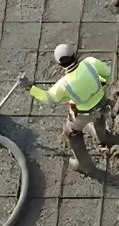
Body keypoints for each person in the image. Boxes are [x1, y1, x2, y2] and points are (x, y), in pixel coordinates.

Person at [25, 44, 113, 173]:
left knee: (72, 133)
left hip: (82, 114)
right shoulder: (90, 63)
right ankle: (103, 139)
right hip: (102, 104)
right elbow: (109, 74)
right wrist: (103, 85)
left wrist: (30, 88)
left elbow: (48, 98)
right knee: (99, 120)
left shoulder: (64, 84)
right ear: (75, 54)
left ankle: (84, 165)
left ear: (60, 64)